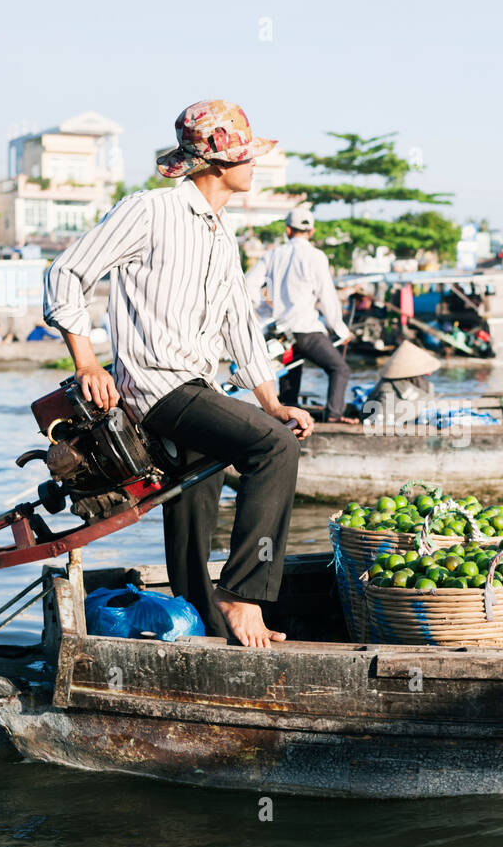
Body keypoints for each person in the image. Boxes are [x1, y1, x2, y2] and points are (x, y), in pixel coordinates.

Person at [43, 98, 312, 649]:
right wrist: (87, 361)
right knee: (276, 448)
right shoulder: (149, 211)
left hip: (198, 386)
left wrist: (272, 403)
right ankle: (243, 594)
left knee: (200, 491)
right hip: (158, 387)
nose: (255, 166)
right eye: (247, 157)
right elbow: (66, 273)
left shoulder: (219, 232)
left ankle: (203, 620)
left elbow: (241, 325)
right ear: (217, 164)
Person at [245, 207, 356, 423]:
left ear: (288, 230)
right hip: (307, 332)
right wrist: (341, 329)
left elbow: (247, 286)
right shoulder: (316, 256)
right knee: (340, 369)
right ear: (312, 231)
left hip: (282, 334)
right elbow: (327, 297)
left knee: (290, 377)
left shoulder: (273, 255)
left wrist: (266, 312)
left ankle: (288, 422)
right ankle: (333, 417)